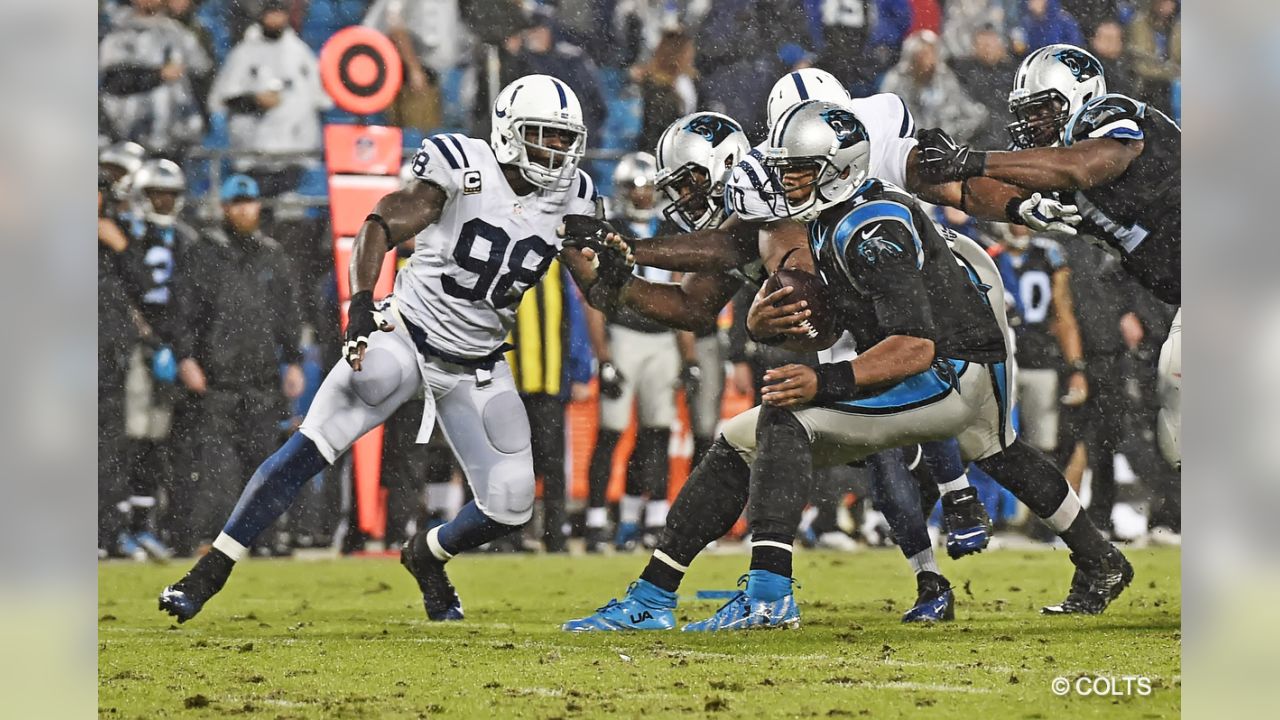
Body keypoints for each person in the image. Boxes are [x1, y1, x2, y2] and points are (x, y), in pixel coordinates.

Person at [563, 69, 1132, 624]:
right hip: (944, 334)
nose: (782, 181)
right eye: (780, 169)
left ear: (832, 166)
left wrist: (824, 376)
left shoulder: (868, 220)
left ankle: (764, 593)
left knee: (785, 418)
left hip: (949, 350)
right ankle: (1098, 557)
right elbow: (732, 257)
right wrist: (625, 261)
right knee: (995, 445)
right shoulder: (804, 205)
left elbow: (911, 338)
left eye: (795, 171)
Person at [159, 74, 602, 624]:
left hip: (479, 363)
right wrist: (362, 302)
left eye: (566, 139)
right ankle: (208, 572)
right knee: (322, 433)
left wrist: (619, 262)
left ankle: (426, 554)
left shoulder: (575, 195)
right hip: (409, 334)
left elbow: (600, 284)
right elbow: (381, 224)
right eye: (545, 136)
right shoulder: (461, 164)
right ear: (510, 132)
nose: (558, 150)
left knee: (511, 506)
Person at [914, 43, 1181, 469]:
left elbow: (1083, 166)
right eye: (1027, 112)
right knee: (1179, 434)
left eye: (1044, 109)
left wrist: (972, 159)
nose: (1032, 122)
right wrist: (914, 169)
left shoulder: (1110, 116)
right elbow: (969, 193)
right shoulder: (1053, 170)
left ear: (1082, 95)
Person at [165, 175, 307, 555]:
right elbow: (182, 312)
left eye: (251, 202)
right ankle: (218, 537)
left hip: (261, 378)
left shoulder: (272, 255)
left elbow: (287, 314)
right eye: (238, 203)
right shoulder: (203, 254)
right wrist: (186, 357)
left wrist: (293, 360)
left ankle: (263, 538)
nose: (246, 209)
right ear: (224, 208)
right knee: (217, 465)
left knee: (263, 462)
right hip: (217, 378)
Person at [583, 152, 694, 552]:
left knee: (657, 434)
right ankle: (596, 521)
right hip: (624, 334)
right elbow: (593, 298)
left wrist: (690, 356)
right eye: (636, 187)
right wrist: (604, 356)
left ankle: (653, 519)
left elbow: (682, 293)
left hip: (663, 338)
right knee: (611, 431)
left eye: (649, 187)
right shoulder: (610, 231)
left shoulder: (669, 230)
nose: (644, 195)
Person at [118, 159, 200, 561]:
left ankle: (144, 527)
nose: (164, 201)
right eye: (156, 194)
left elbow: (192, 299)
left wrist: (181, 347)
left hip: (172, 348)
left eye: (170, 194)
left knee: (156, 443)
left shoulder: (186, 239)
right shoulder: (129, 233)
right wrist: (147, 336)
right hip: (134, 346)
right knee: (130, 438)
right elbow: (121, 288)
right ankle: (119, 529)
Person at [505, 263, 595, 553]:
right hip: (509, 383)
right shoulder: (500, 257)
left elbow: (574, 317)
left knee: (551, 461)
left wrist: (580, 370)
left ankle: (554, 533)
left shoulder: (555, 265)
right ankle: (509, 534)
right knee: (512, 462)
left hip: (548, 381)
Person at [207, 0, 333, 198]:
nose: (275, 19)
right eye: (271, 13)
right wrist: (254, 101)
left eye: (279, 13)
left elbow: (322, 100)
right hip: (253, 158)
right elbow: (221, 101)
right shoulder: (244, 53)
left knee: (290, 215)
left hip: (294, 157)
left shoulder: (300, 52)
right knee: (260, 209)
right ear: (261, 15)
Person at [989, 223, 1088, 455]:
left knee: (1042, 448)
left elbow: (1063, 314)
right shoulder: (988, 255)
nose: (1018, 226)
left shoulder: (1047, 255)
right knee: (996, 446)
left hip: (1040, 358)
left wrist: (1076, 368)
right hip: (1000, 364)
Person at [98, 0, 210, 158]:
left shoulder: (178, 33)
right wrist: (157, 75)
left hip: (173, 143)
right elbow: (112, 81)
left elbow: (202, 76)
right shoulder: (118, 32)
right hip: (125, 139)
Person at [880, 30, 988, 146]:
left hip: (947, 145)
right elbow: (887, 118)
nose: (928, 60)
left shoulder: (945, 77)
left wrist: (949, 134)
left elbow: (965, 109)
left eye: (931, 53)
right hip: (911, 147)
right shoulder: (896, 80)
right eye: (922, 54)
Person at [950, 24, 1020, 150]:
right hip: (976, 143)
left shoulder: (1014, 73)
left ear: (1001, 47)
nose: (988, 49)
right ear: (974, 47)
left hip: (1010, 141)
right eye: (983, 45)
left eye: (991, 44)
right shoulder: (962, 73)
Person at [631, 30, 699, 154]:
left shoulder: (691, 81)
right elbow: (653, 130)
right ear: (676, 54)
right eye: (688, 51)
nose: (692, 55)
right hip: (663, 152)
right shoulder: (655, 88)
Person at [1127, 0, 1180, 112]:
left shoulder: (1176, 27)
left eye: (1171, 2)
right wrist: (1170, 72)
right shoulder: (1139, 25)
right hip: (1147, 85)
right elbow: (1141, 64)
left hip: (1171, 83)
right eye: (1164, 2)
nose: (1168, 6)